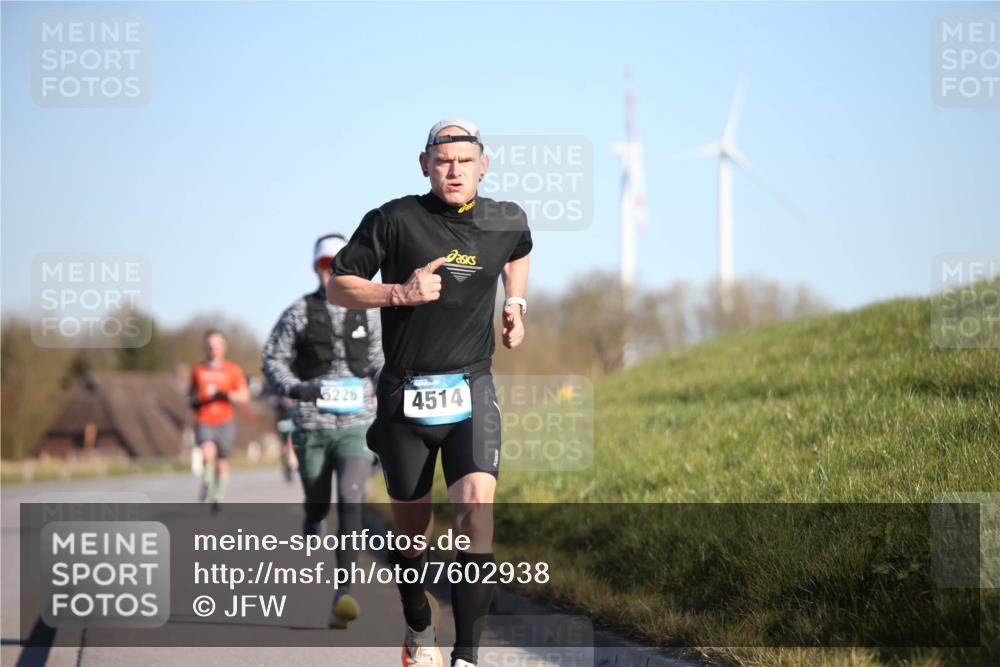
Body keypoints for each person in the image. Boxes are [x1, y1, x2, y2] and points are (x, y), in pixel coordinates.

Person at [328, 119, 531, 667]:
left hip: (472, 386)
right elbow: (339, 284)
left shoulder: (505, 219)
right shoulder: (394, 220)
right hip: (405, 396)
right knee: (412, 532)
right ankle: (419, 622)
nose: (455, 170)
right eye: (443, 161)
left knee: (474, 514)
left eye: (465, 160)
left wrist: (516, 303)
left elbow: (518, 250)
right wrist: (399, 292)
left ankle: (466, 656)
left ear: (483, 165)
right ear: (425, 165)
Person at [262, 233, 384, 629]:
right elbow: (273, 358)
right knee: (318, 500)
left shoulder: (371, 312)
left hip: (357, 425)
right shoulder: (298, 312)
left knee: (351, 497)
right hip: (312, 426)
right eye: (325, 263)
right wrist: (297, 388)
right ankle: (312, 514)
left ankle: (343, 593)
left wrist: (391, 391)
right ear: (317, 268)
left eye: (339, 261)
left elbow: (384, 361)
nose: (332, 269)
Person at [189, 330, 250, 513]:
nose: (213, 348)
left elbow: (244, 395)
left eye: (217, 345)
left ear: (224, 348)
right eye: (209, 345)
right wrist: (195, 401)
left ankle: (218, 496)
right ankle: (207, 482)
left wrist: (228, 395)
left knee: (222, 461)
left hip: (225, 420)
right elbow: (190, 395)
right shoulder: (198, 370)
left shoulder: (233, 369)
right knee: (208, 453)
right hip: (204, 418)